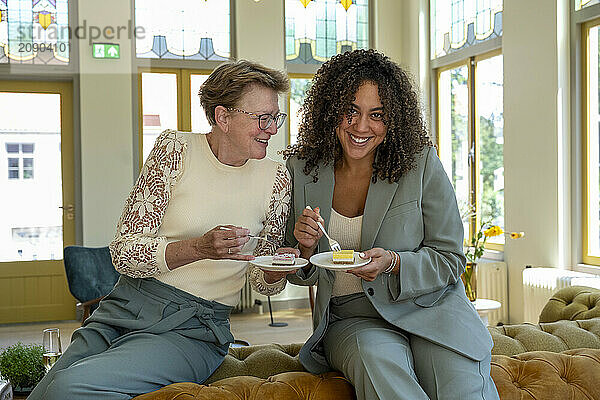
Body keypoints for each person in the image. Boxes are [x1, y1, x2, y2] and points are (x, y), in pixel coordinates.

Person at [29, 60, 299, 400]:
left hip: (194, 329)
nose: (272, 128)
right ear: (223, 117)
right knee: (44, 392)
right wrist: (199, 248)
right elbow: (124, 253)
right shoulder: (176, 150)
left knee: (69, 389)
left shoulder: (276, 179)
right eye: (263, 118)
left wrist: (279, 269)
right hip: (125, 306)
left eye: (276, 117)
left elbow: (263, 279)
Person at [284, 49, 499, 400]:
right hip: (353, 319)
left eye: (376, 115)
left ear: (394, 119)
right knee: (379, 364)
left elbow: (450, 257)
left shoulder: (421, 163)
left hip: (432, 307)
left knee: (462, 390)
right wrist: (305, 248)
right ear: (330, 109)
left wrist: (396, 263)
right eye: (350, 110)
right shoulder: (301, 168)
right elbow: (296, 270)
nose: (360, 126)